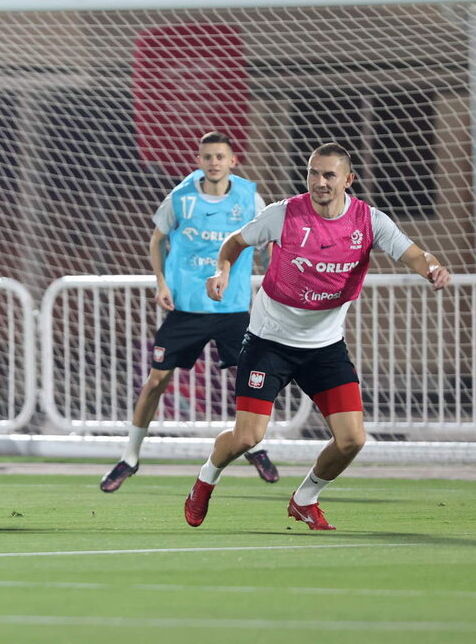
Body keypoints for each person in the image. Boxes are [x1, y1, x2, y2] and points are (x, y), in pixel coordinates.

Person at [185, 142, 451, 529]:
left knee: (352, 440)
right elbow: (234, 243)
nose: (319, 181)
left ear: (348, 179)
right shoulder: (284, 214)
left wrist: (432, 267)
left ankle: (305, 498)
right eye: (313, 172)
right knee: (247, 438)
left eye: (329, 175)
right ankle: (206, 480)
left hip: (323, 347)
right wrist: (221, 271)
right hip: (268, 342)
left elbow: (412, 253)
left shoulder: (368, 221)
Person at [101, 132, 279, 492]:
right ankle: (130, 458)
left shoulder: (250, 198)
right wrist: (161, 283)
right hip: (187, 310)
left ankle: (254, 446)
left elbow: (266, 240)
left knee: (249, 380)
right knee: (156, 382)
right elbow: (157, 238)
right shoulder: (180, 199)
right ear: (199, 160)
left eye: (220, 156)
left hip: (231, 309)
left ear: (232, 161)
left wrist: (269, 268)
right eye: (207, 156)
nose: (214, 162)